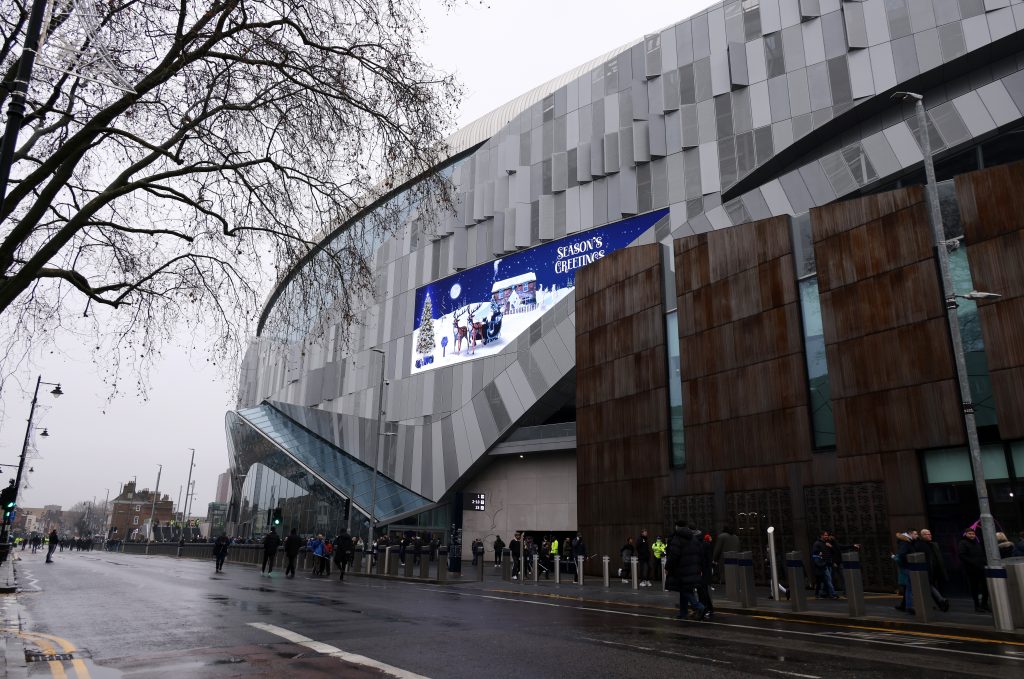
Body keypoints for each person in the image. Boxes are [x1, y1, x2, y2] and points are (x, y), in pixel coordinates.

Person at [665, 522, 707, 621]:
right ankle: (683, 612)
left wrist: (667, 567)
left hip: (681, 569)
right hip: (693, 569)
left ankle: (699, 607)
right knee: (684, 590)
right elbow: (700, 554)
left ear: (677, 528)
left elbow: (673, 556)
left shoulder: (677, 539)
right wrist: (699, 568)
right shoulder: (694, 538)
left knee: (684, 590)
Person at [918, 528, 949, 612]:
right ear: (923, 535)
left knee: (933, 586)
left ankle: (940, 602)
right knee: (930, 586)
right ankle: (941, 600)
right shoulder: (920, 545)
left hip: (936, 570)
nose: (930, 535)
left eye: (930, 534)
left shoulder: (933, 544)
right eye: (928, 534)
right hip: (928, 571)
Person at [957, 528, 988, 612]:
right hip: (971, 570)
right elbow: (962, 555)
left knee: (985, 587)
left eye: (973, 534)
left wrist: (984, 562)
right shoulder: (963, 543)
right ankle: (977, 606)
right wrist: (974, 562)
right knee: (975, 588)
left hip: (981, 568)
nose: (972, 535)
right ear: (966, 534)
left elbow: (981, 554)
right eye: (970, 534)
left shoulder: (977, 543)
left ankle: (984, 604)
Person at [811, 530, 837, 599]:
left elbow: (834, 551)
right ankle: (833, 594)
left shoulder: (826, 543)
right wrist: (821, 564)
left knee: (826, 580)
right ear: (821, 536)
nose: (826, 536)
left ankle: (824, 593)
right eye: (825, 535)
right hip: (823, 565)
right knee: (827, 579)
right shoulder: (817, 544)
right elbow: (815, 555)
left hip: (828, 564)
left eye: (827, 535)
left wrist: (831, 546)